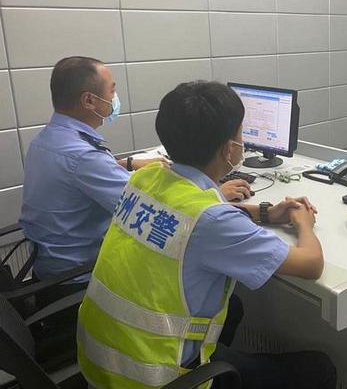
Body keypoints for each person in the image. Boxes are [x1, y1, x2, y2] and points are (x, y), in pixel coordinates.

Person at [76, 80, 336, 389]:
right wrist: (303, 222)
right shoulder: (212, 221)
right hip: (151, 379)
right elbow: (311, 264)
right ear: (229, 148)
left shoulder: (144, 177)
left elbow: (191, 213)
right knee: (319, 368)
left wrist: (264, 212)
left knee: (234, 307)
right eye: (241, 133)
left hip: (100, 362)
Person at [19, 56, 252, 304]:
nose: (115, 97)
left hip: (49, 267)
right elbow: (152, 207)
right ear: (89, 101)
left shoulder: (48, 140)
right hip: (79, 278)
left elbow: (81, 174)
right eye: (112, 90)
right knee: (224, 296)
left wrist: (127, 164)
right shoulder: (83, 157)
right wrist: (214, 193)